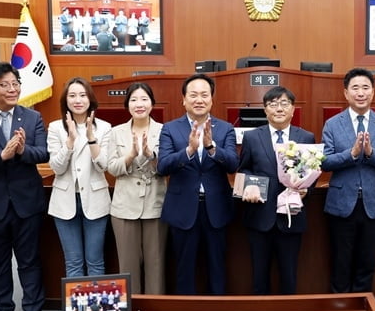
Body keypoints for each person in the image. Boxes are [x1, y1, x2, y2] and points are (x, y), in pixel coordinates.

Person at [0, 62, 47, 311]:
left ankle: (33, 310)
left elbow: (43, 153)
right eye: (5, 84)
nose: (13, 89)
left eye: (16, 83)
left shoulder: (32, 118)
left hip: (26, 203)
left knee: (30, 260)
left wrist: (21, 151)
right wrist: (1, 156)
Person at [157, 73, 239, 295]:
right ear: (183, 100)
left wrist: (211, 147)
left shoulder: (225, 129)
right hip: (183, 209)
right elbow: (163, 166)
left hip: (217, 208)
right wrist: (189, 151)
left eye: (204, 95)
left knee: (217, 267)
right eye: (193, 95)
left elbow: (233, 165)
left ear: (212, 99)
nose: (199, 100)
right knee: (184, 268)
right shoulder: (170, 129)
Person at [321, 67, 375, 293]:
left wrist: (371, 152)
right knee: (341, 261)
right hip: (341, 203)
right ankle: (339, 308)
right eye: (355, 88)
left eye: (365, 88)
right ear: (346, 93)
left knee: (367, 262)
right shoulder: (333, 124)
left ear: (373, 92)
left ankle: (362, 310)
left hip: (373, 204)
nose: (361, 92)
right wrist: (352, 154)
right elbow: (324, 162)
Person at [239, 86, 316, 295]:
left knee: (289, 275)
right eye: (273, 104)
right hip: (259, 217)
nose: (279, 109)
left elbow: (312, 173)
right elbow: (243, 169)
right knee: (259, 275)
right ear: (265, 110)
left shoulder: (306, 137)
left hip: (291, 217)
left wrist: (306, 191)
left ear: (293, 109)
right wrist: (249, 185)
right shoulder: (252, 137)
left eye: (284, 104)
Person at [47, 77, 112, 277]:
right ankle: (76, 309)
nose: (78, 100)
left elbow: (103, 166)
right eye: (72, 95)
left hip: (95, 200)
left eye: (83, 95)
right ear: (65, 100)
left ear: (90, 99)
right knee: (73, 262)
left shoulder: (105, 127)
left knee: (95, 261)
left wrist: (91, 138)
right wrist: (69, 142)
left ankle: (97, 309)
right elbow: (56, 168)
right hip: (65, 201)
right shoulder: (55, 127)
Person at [107, 82, 168, 294]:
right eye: (134, 100)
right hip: (124, 205)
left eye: (144, 99)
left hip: (155, 201)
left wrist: (152, 156)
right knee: (128, 265)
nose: (139, 104)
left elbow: (167, 168)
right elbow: (112, 168)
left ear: (152, 103)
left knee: (156, 263)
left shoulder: (165, 130)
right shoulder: (115, 132)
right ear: (127, 104)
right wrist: (131, 155)